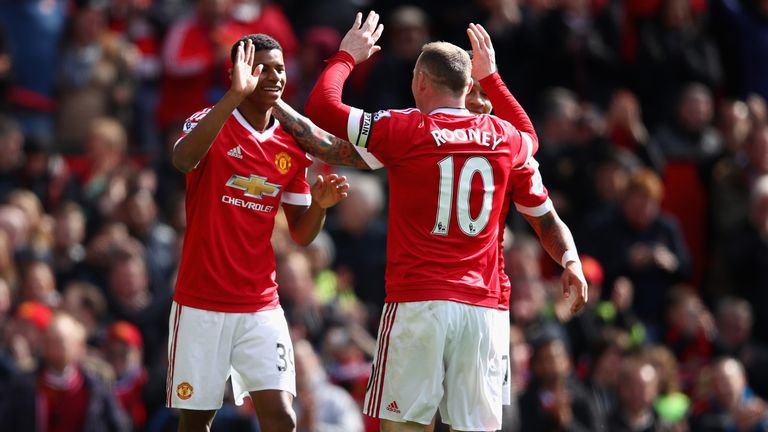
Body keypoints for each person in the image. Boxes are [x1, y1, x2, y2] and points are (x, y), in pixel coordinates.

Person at [273, 12, 588, 431]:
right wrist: (571, 260)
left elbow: (324, 115)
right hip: (483, 309)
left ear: (420, 81)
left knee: (404, 426)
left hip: (419, 302)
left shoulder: (406, 129)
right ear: (468, 88)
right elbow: (532, 144)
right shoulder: (506, 139)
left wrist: (346, 57)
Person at [167, 34, 349, 432]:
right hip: (202, 302)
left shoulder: (290, 145)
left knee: (283, 417)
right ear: (237, 72)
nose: (273, 76)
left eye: (279, 68)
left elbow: (301, 235)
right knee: (197, 421)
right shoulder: (206, 122)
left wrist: (319, 205)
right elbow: (182, 160)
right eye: (261, 67)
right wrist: (233, 96)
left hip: (259, 305)